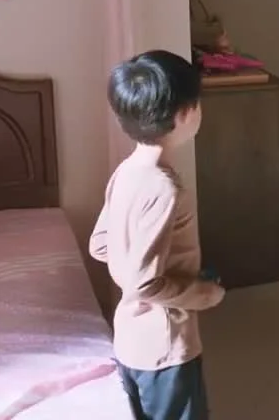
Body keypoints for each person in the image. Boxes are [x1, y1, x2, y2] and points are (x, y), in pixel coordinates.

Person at [91, 50, 224, 420]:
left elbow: (99, 244)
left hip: (130, 336)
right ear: (184, 114)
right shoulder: (164, 187)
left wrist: (132, 263)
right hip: (165, 343)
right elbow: (144, 284)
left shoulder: (126, 171)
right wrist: (203, 294)